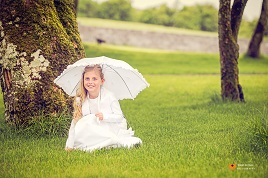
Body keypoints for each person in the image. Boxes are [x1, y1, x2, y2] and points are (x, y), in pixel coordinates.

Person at [65, 65, 142, 152]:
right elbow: (75, 122)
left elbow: (119, 116)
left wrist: (105, 116)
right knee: (85, 122)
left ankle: (109, 141)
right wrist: (69, 144)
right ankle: (92, 142)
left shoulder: (109, 96)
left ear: (102, 81)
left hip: (109, 126)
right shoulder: (81, 98)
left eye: (94, 79)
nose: (90, 82)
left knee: (91, 121)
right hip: (92, 129)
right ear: (83, 80)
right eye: (87, 79)